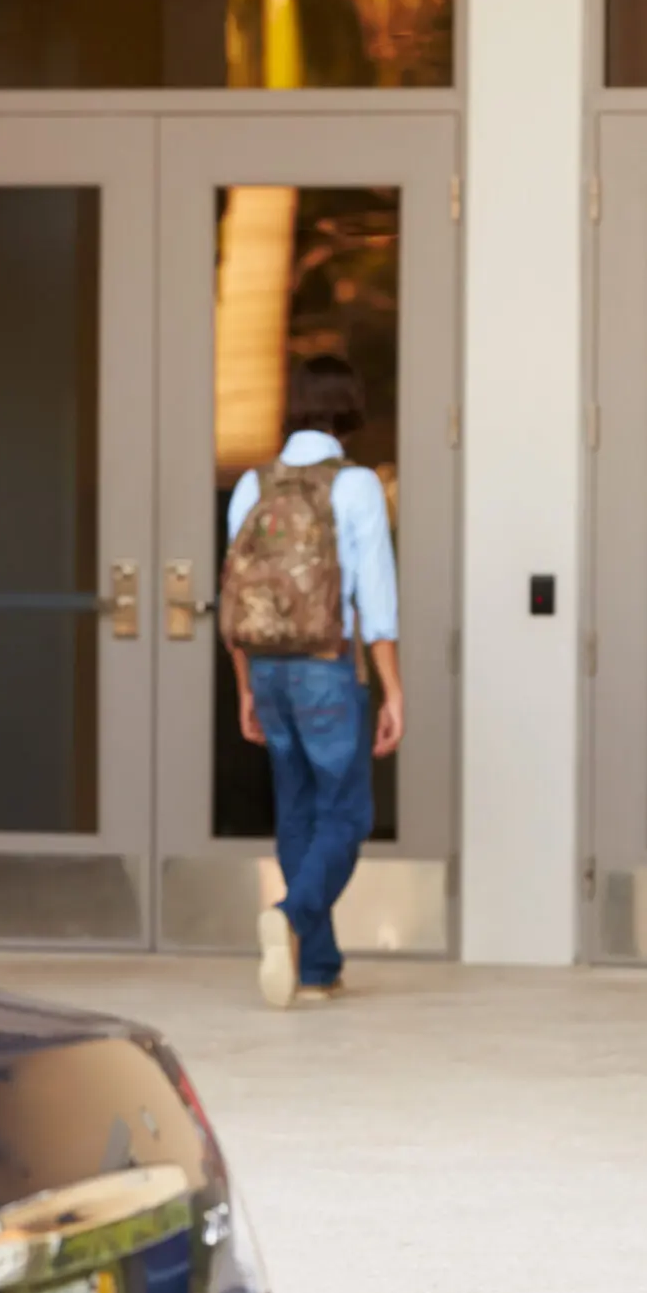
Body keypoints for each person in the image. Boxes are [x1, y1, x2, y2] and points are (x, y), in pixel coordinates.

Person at [228, 355, 403, 1008]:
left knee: (297, 805)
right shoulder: (353, 486)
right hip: (328, 666)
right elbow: (376, 600)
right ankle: (293, 914)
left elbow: (236, 598)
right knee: (348, 811)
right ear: (349, 407)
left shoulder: (255, 484)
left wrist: (246, 685)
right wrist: (393, 687)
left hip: (268, 667)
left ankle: (318, 966)